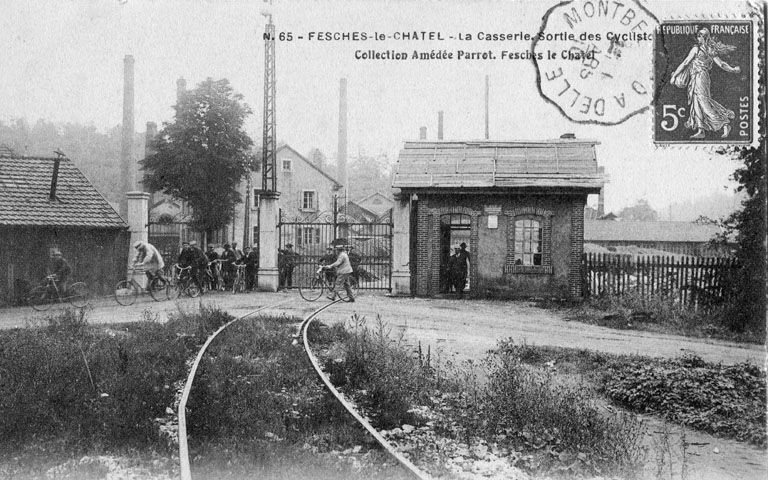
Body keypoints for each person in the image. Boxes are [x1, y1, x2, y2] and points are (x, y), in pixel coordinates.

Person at [671, 27, 741, 139]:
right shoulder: (709, 50)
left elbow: (685, 63)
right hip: (697, 77)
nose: (698, 37)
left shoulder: (698, 49)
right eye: (698, 35)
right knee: (696, 102)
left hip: (700, 77)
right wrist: (732, 69)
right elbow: (721, 64)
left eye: (700, 35)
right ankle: (701, 130)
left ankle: (724, 123)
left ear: (704, 37)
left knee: (703, 102)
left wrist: (674, 75)